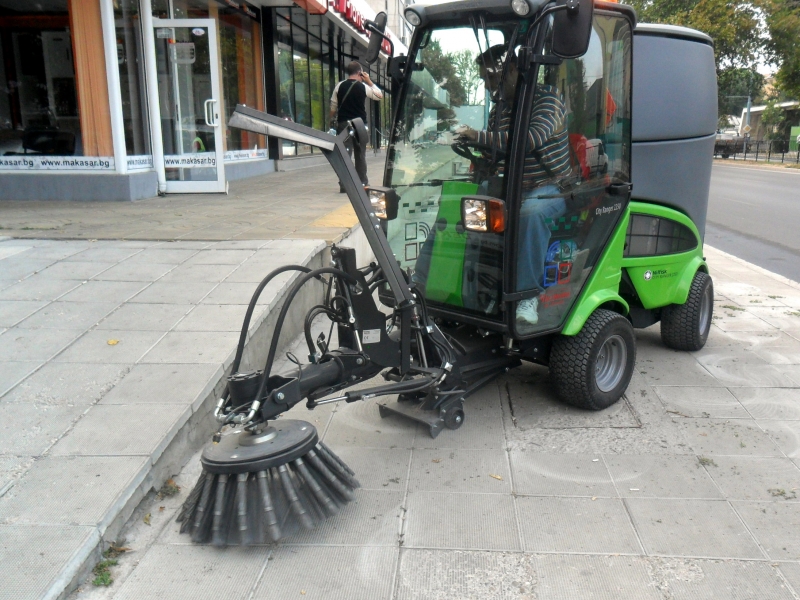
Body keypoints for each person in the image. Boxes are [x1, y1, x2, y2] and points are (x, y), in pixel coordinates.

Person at [454, 44, 572, 326]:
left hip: (552, 187)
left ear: (515, 71)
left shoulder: (548, 100)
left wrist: (477, 134)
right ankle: (453, 281)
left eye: (492, 79)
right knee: (466, 204)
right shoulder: (501, 110)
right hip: (511, 186)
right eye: (484, 80)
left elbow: (526, 140)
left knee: (530, 213)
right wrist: (477, 152)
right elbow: (496, 150)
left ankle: (527, 294)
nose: (489, 86)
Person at [330, 61, 384, 190]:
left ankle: (344, 184)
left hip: (343, 125)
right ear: (360, 73)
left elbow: (333, 107)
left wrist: (331, 121)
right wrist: (369, 81)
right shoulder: (363, 87)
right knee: (360, 155)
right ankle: (363, 182)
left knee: (345, 155)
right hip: (360, 125)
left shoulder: (339, 86)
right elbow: (379, 96)